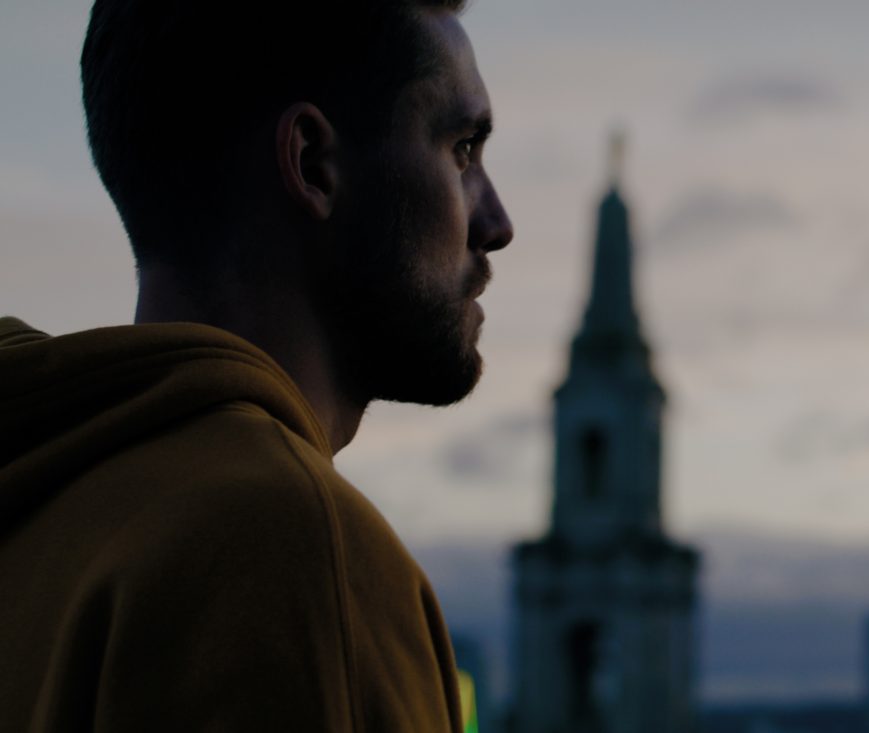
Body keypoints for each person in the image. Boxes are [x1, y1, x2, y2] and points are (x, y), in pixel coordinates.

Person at [0, 0, 512, 730]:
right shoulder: (290, 550)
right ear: (313, 164)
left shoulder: (46, 493)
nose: (496, 223)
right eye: (461, 148)